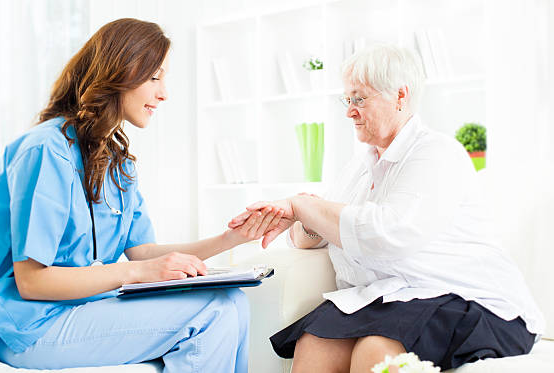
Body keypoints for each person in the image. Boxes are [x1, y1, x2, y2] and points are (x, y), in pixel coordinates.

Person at [0, 18, 283, 372]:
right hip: (27, 326)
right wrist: (137, 272)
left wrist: (230, 238)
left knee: (232, 302)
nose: (164, 93)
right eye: (154, 77)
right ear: (121, 72)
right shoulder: (45, 151)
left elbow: (142, 251)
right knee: (213, 311)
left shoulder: (116, 161)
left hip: (84, 307)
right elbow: (32, 281)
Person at [229, 44, 545, 373]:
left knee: (375, 349)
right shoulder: (359, 167)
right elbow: (314, 234)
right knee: (315, 342)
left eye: (359, 99)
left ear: (400, 96)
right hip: (389, 299)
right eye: (347, 100)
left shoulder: (436, 153)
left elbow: (388, 234)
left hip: (463, 297)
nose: (349, 111)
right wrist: (306, 218)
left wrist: (306, 207)